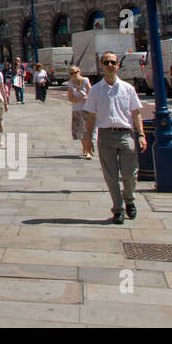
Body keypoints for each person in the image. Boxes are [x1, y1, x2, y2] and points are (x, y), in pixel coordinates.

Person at [83, 51, 147, 224]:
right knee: (111, 176)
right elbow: (90, 117)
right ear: (101, 66)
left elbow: (136, 113)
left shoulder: (128, 88)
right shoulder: (96, 90)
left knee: (130, 174)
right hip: (105, 135)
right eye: (106, 62)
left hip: (125, 134)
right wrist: (88, 138)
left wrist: (141, 134)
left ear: (117, 65)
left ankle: (130, 200)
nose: (110, 65)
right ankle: (118, 209)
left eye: (112, 62)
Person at [66, 65, 92, 158]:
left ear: (79, 71)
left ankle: (88, 151)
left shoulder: (85, 80)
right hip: (76, 110)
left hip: (86, 110)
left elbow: (91, 94)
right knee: (80, 132)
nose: (74, 74)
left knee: (86, 131)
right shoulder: (70, 83)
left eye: (75, 72)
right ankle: (84, 148)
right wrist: (81, 99)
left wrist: (86, 98)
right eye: (71, 73)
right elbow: (70, 98)